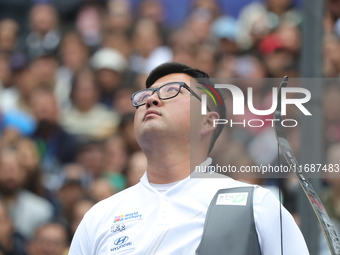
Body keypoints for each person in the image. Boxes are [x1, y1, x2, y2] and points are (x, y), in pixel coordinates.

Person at [69, 62, 309, 254]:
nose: (151, 100)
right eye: (144, 96)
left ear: (208, 121)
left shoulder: (255, 206)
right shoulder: (100, 217)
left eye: (172, 91)